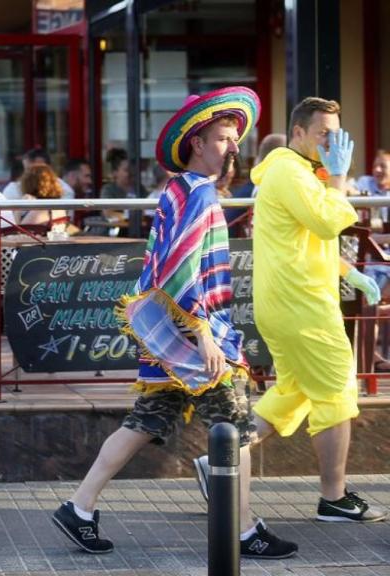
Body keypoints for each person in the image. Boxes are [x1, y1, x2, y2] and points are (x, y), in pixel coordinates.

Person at [52, 87, 298, 558]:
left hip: (167, 336)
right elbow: (180, 270)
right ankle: (244, 530)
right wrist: (203, 331)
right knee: (238, 428)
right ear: (197, 143)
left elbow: (171, 265)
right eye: (224, 138)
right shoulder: (199, 194)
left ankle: (79, 507)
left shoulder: (180, 189)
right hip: (192, 336)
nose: (232, 147)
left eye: (233, 139)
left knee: (146, 420)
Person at [194, 97, 388, 524]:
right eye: (323, 133)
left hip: (295, 301)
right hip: (302, 305)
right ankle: (333, 498)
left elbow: (306, 239)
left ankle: (221, 462)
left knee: (293, 392)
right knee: (337, 393)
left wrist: (348, 273)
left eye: (336, 135)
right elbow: (325, 222)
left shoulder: (296, 171)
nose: (331, 142)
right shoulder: (287, 169)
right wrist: (338, 177)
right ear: (298, 132)